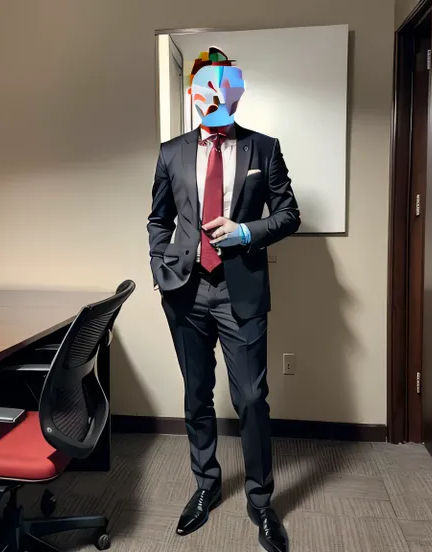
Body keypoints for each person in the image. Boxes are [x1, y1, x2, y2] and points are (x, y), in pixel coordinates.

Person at [147, 47, 300, 552]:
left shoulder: (264, 148)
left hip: (242, 290)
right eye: (203, 85)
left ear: (234, 90)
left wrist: (244, 232)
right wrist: (159, 266)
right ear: (194, 93)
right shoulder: (171, 152)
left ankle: (261, 503)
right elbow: (159, 220)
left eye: (221, 84)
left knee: (252, 399)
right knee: (197, 395)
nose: (212, 94)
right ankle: (205, 487)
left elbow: (289, 215)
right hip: (186, 292)